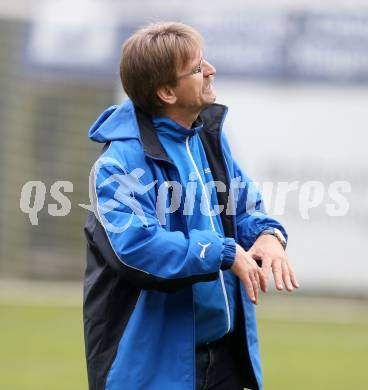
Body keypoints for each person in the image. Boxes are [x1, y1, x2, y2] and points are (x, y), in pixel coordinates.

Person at [83, 21, 299, 390]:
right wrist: (223, 252)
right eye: (198, 68)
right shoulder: (118, 164)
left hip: (224, 359)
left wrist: (268, 234)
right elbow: (137, 248)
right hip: (151, 367)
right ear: (167, 91)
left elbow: (243, 208)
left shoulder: (209, 138)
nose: (211, 70)